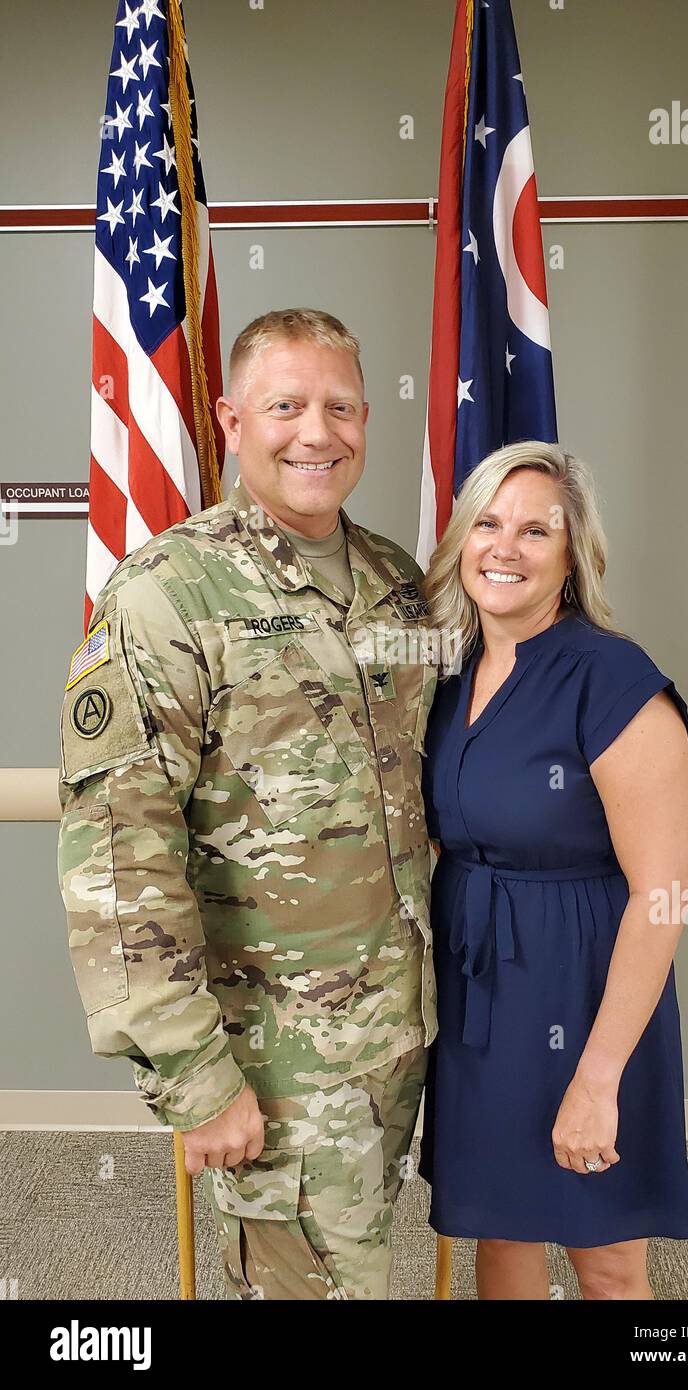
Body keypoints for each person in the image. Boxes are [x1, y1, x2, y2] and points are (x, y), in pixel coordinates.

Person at [57, 308, 438, 1301]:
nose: (316, 431)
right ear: (230, 419)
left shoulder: (395, 583)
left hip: (394, 1038)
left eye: (339, 406)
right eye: (285, 405)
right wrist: (194, 1077)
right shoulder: (165, 596)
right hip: (270, 1058)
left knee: (356, 1270)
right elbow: (116, 856)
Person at [417, 440, 688, 1300]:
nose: (504, 548)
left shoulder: (613, 679)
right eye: (488, 524)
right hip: (479, 993)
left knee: (605, 1258)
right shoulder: (448, 672)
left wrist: (597, 1076)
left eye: (535, 531)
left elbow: (662, 896)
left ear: (572, 556)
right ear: (462, 537)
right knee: (499, 1232)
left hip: (585, 989)